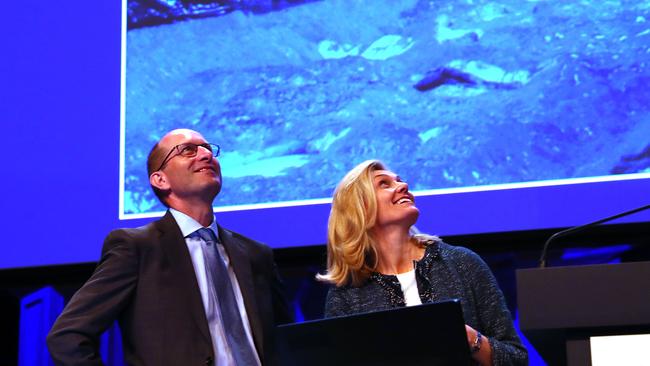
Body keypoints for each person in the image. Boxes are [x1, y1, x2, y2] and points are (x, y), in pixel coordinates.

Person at [47, 129, 293, 365]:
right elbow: (67, 336)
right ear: (160, 179)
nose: (206, 155)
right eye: (187, 150)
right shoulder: (137, 248)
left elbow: (289, 342)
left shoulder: (255, 254)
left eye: (207, 149)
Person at [317, 160, 528, 366]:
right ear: (360, 209)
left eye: (399, 181)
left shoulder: (462, 263)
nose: (403, 186)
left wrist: (469, 338)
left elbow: (517, 359)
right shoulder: (346, 294)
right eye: (384, 184)